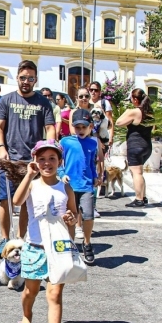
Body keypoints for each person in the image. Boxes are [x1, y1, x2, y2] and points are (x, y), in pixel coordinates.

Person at [14, 140, 78, 323]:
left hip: (59, 249)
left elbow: (74, 215)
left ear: (60, 161)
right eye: (41, 159)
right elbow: (17, 201)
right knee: (30, 291)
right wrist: (29, 175)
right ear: (35, 161)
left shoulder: (65, 188)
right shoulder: (32, 185)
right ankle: (26, 316)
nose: (47, 163)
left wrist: (71, 218)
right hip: (34, 247)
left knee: (54, 295)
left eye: (52, 158)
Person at [0, 61, 56, 256]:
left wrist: (48, 149)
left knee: (28, 203)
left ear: (35, 80)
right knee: (5, 200)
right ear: (17, 78)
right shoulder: (6, 100)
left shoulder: (43, 102)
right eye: (22, 78)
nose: (26, 81)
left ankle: (20, 239)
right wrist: (1, 148)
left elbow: (50, 128)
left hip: (32, 162)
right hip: (9, 160)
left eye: (30, 78)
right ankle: (5, 239)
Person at [59, 109, 101, 265]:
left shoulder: (92, 143)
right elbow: (59, 162)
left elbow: (91, 163)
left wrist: (95, 177)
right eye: (77, 127)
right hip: (69, 185)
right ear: (73, 127)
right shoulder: (65, 142)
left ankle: (87, 243)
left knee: (88, 215)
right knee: (70, 216)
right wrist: (62, 174)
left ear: (90, 126)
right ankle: (70, 244)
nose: (81, 130)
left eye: (84, 127)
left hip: (86, 185)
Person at [114, 88, 153, 207]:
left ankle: (139, 199)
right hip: (147, 145)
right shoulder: (149, 112)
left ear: (135, 99)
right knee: (139, 172)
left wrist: (127, 111)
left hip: (135, 145)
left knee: (136, 173)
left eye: (131, 98)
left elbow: (118, 122)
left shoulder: (135, 111)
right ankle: (143, 197)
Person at [89, 81, 114, 146]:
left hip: (102, 136)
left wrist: (111, 137)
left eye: (96, 90)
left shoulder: (104, 103)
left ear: (99, 92)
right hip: (89, 136)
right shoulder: (86, 103)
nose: (93, 92)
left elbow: (110, 121)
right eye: (91, 90)